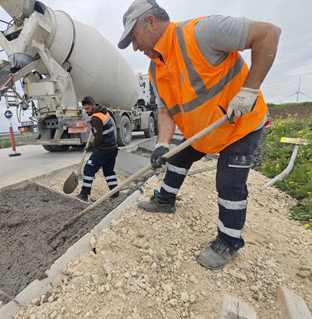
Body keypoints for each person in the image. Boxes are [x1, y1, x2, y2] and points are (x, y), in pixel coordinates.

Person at [118, 0, 280, 269]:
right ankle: (165, 201)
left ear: (151, 22)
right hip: (202, 131)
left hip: (239, 124)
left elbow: (269, 33)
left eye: (133, 37)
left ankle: (229, 241)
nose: (135, 46)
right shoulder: (155, 69)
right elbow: (166, 112)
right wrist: (161, 144)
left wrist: (250, 91)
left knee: (229, 183)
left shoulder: (201, 33)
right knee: (177, 158)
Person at [76, 96, 119, 202]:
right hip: (113, 148)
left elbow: (99, 138)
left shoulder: (95, 118)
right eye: (84, 109)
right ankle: (115, 194)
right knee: (109, 172)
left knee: (88, 169)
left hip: (104, 149)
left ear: (93, 105)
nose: (86, 111)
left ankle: (84, 194)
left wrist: (90, 146)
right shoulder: (105, 112)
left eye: (87, 109)